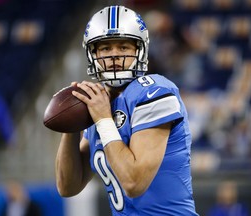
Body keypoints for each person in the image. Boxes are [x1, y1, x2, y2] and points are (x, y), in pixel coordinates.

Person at [55, 5, 199, 215]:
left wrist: (104, 119)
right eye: (105, 48)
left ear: (139, 51)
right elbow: (67, 186)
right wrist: (71, 120)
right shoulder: (99, 103)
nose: (114, 55)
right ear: (92, 54)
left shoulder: (155, 91)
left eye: (123, 47)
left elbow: (134, 183)